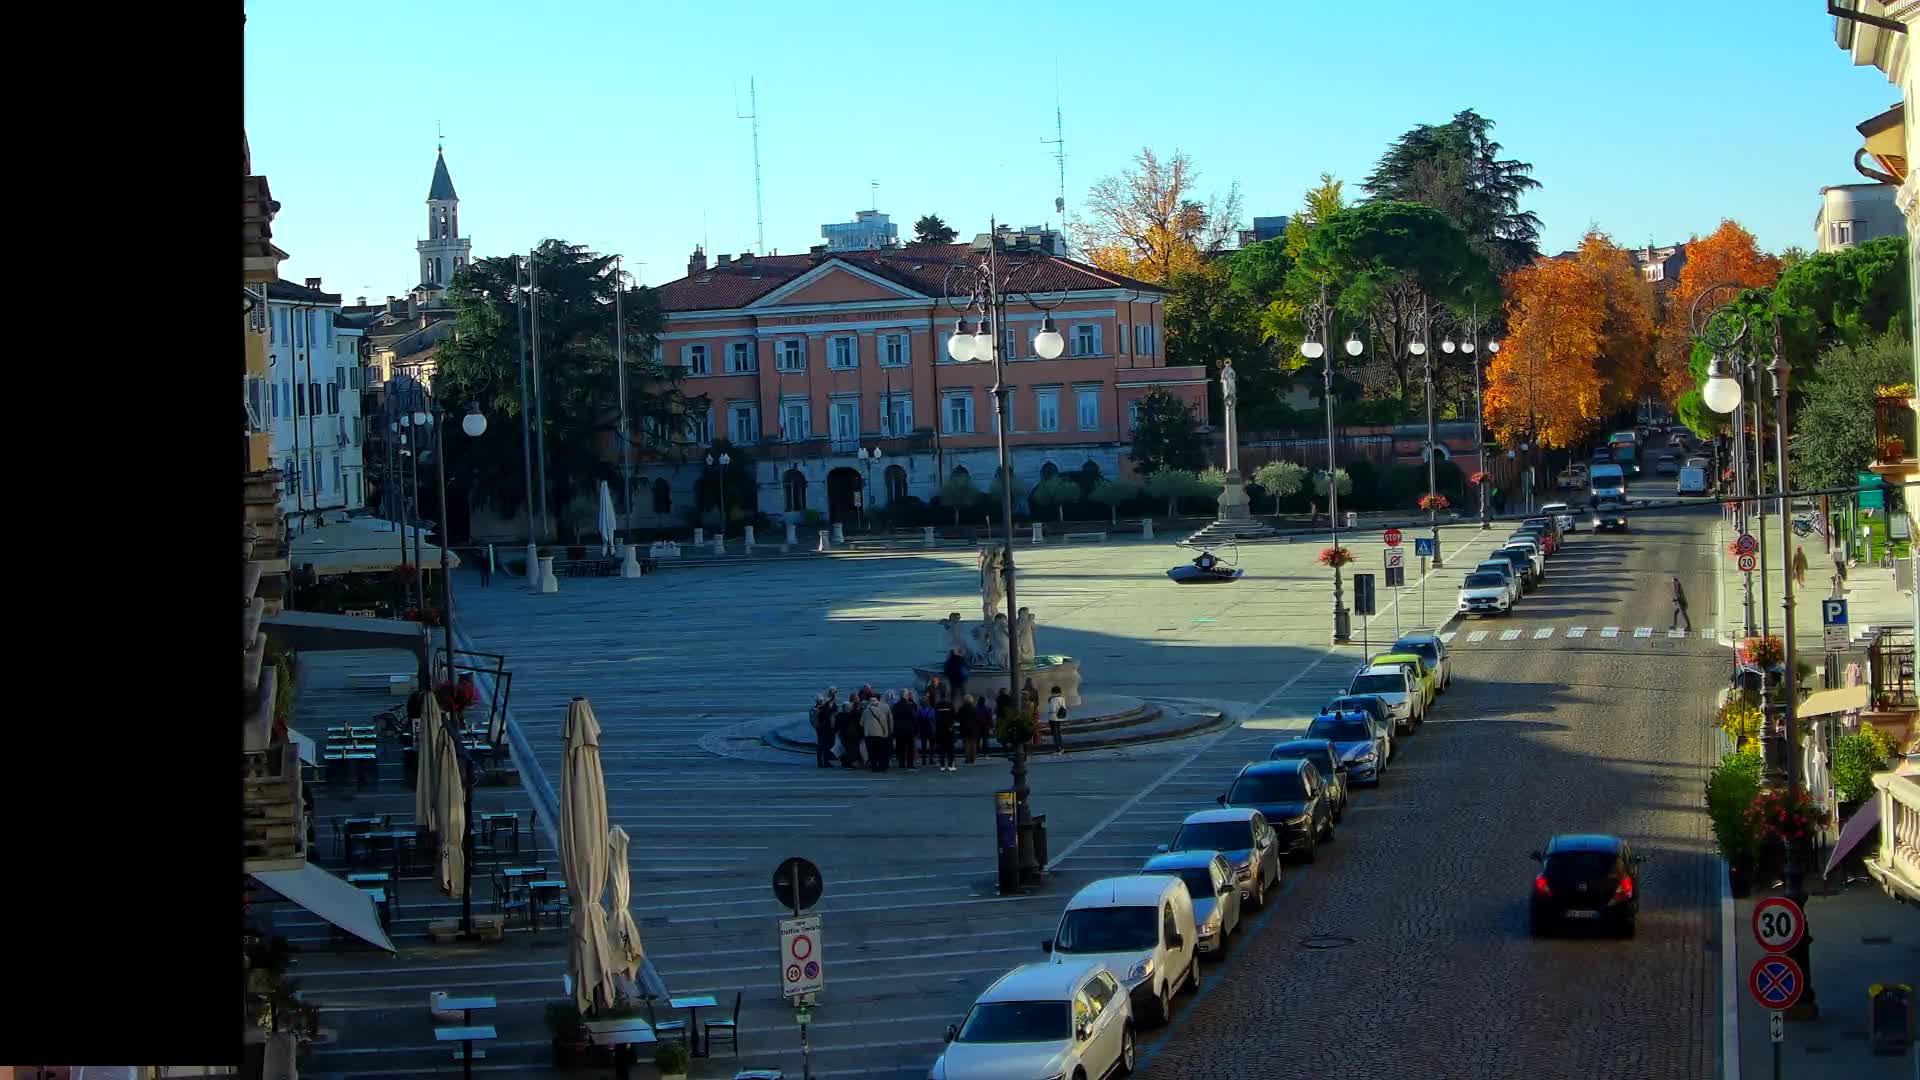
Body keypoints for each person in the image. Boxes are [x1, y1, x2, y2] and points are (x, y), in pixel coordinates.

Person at [862, 692, 892, 772]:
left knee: (872, 751)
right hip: (880, 733)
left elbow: (861, 723)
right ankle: (883, 766)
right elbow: (886, 721)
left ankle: (874, 766)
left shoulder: (866, 710)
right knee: (882, 751)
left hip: (868, 734)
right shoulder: (885, 707)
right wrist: (888, 731)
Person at [892, 690, 919, 770]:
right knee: (910, 748)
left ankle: (901, 764)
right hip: (909, 731)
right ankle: (909, 764)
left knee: (900, 748)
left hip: (899, 730)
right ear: (906, 696)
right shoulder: (910, 706)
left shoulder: (896, 706)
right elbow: (914, 718)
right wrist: (916, 729)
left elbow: (893, 718)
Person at [933, 692, 957, 772]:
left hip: (940, 729)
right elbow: (954, 715)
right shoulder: (950, 704)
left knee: (942, 748)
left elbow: (935, 716)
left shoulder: (937, 705)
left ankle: (942, 766)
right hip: (949, 728)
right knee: (950, 748)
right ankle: (950, 765)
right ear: (947, 696)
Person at [812, 691, 837, 768]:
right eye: (821, 700)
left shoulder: (815, 709)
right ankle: (824, 762)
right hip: (823, 729)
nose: (822, 701)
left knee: (822, 746)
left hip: (820, 729)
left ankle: (821, 762)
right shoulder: (821, 709)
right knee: (824, 746)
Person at [959, 693, 980, 765]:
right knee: (973, 744)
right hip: (974, 728)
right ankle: (973, 759)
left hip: (964, 728)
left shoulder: (961, 708)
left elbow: (959, 718)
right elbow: (978, 719)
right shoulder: (975, 708)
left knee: (966, 743)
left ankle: (967, 758)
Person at [1046, 685, 1067, 754]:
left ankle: (1058, 750)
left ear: (1053, 692)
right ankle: (1062, 748)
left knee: (1055, 735)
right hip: (1061, 718)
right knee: (1059, 734)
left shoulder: (1053, 699)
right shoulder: (1062, 698)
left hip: (1053, 719)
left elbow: (1052, 709)